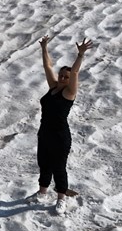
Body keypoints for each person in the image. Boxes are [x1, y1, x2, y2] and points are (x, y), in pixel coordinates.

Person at [27, 35, 94, 214]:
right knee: (44, 163)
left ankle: (61, 198)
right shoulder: (53, 87)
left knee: (59, 167)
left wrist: (80, 56)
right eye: (62, 75)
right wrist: (44, 48)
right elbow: (47, 66)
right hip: (45, 132)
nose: (63, 78)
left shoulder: (69, 92)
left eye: (66, 76)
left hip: (60, 136)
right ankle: (42, 192)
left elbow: (76, 73)